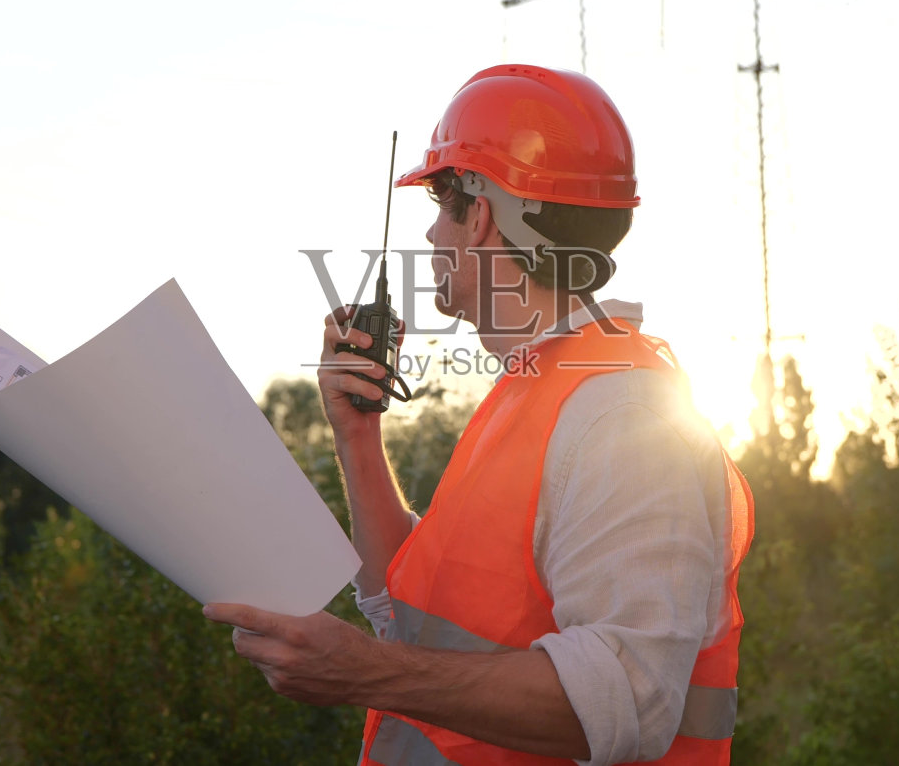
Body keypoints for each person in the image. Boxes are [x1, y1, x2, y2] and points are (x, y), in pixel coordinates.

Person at [204, 64, 754, 766]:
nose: (432, 237)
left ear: (483, 212)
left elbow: (626, 697)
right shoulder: (536, 392)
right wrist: (358, 438)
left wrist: (365, 672)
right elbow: (420, 603)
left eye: (440, 204)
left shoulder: (621, 416)